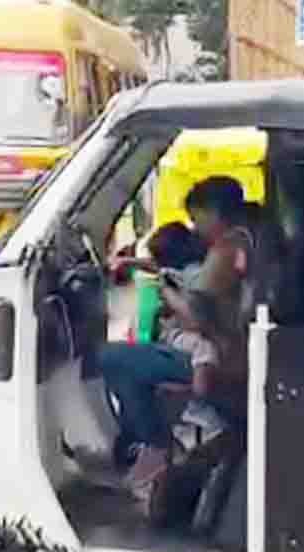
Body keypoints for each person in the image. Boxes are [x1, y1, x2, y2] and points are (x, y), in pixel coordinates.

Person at [100, 177, 255, 491]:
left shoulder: (227, 250)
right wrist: (139, 265)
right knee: (126, 368)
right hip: (223, 345)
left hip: (219, 351)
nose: (195, 227)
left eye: (198, 218)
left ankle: (155, 444)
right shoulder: (240, 242)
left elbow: (197, 318)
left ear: (213, 212)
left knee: (111, 358)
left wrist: (165, 293)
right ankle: (153, 443)